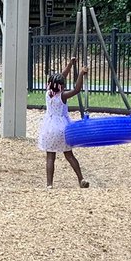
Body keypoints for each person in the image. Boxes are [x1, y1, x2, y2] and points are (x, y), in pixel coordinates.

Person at [37, 58, 89, 189]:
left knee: (50, 157)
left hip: (49, 128)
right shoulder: (63, 96)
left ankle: (49, 184)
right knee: (69, 155)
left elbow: (61, 77)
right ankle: (81, 178)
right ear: (62, 86)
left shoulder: (48, 94)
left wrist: (70, 65)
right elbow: (77, 89)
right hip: (62, 128)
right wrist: (81, 73)